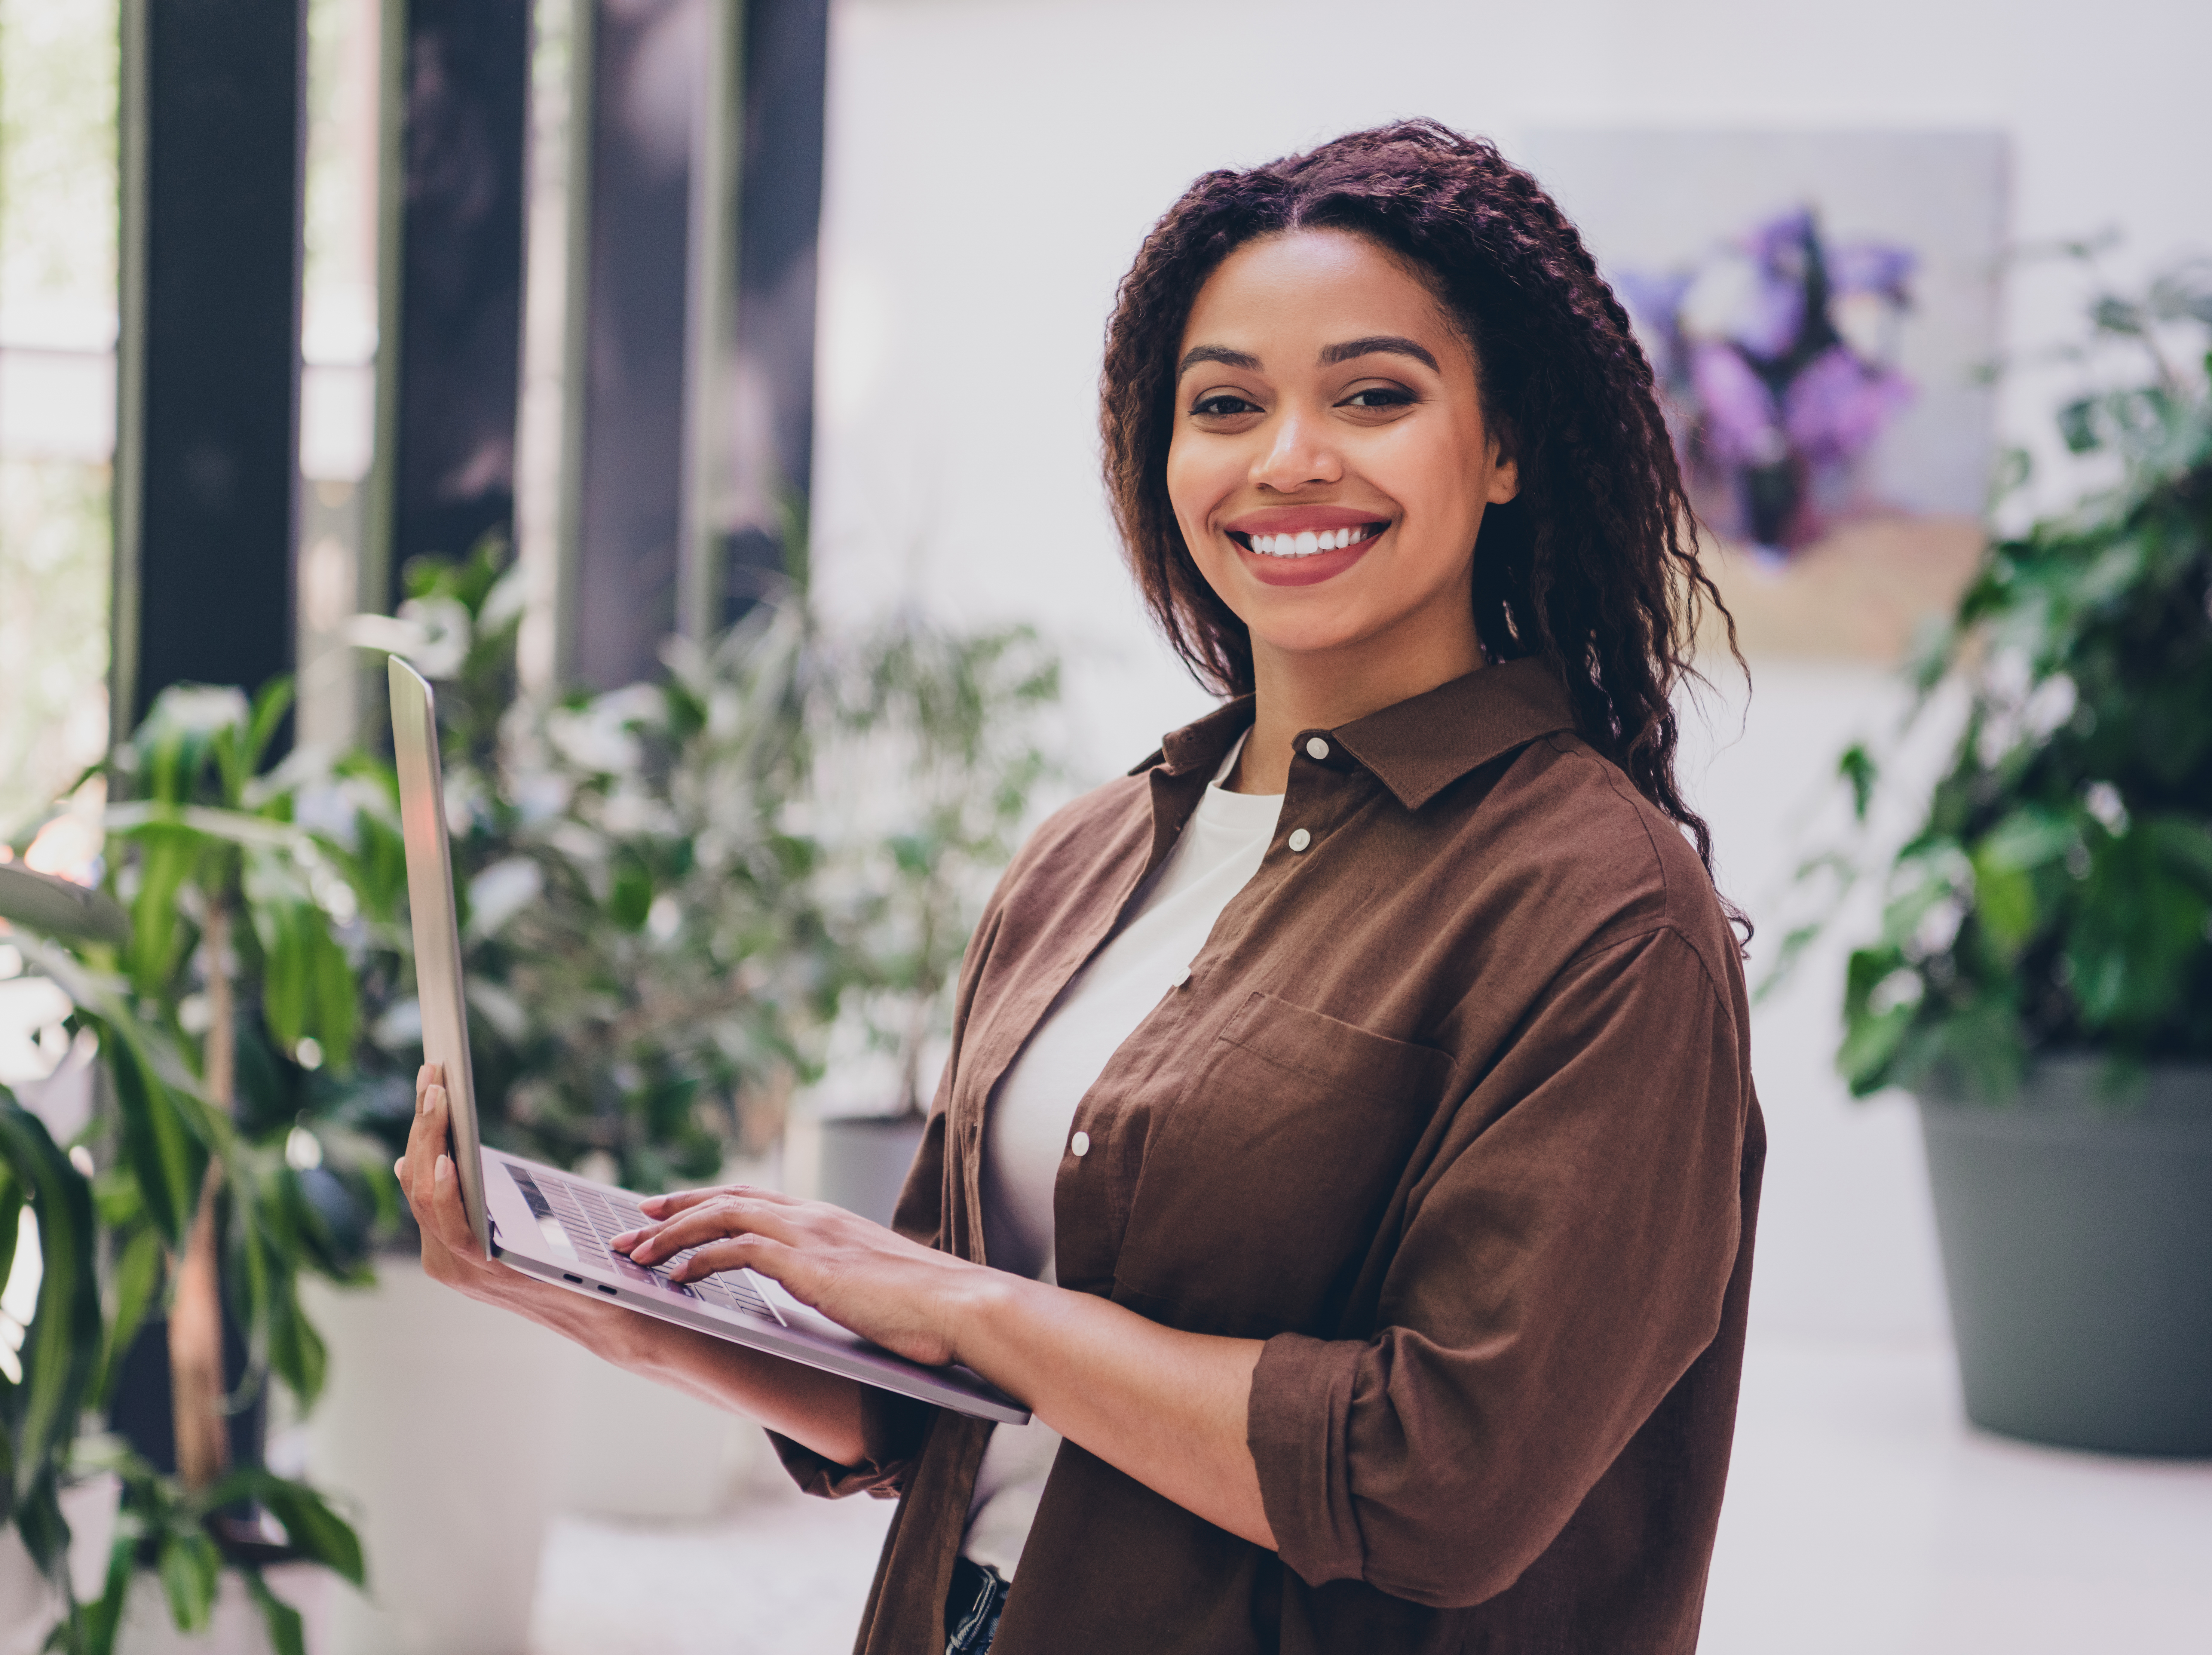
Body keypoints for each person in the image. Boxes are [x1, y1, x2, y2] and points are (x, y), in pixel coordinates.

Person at [399, 119, 1765, 1655]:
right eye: (1226, 403)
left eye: (1373, 395)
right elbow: (921, 1403)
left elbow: (1438, 1477)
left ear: (1505, 445)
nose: (1288, 456)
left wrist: (974, 1308)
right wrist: (594, 1296)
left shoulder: (1602, 910)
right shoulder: (1090, 855)